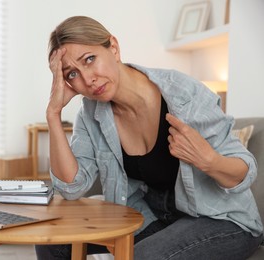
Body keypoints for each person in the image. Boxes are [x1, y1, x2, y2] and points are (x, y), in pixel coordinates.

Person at [35, 16, 263, 259]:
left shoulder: (183, 94)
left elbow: (244, 172)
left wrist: (208, 160)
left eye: (90, 60)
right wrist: (53, 113)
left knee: (143, 256)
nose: (87, 79)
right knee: (53, 239)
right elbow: (72, 188)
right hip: (155, 218)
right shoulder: (91, 114)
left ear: (113, 47)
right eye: (72, 74)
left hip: (220, 220)